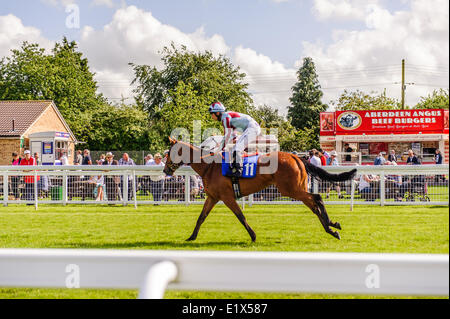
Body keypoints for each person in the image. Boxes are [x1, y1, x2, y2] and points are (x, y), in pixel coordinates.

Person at [208, 101, 261, 177]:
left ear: (217, 113)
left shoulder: (225, 118)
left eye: (212, 114)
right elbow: (232, 135)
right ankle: (236, 167)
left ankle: (238, 171)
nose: (211, 117)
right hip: (251, 128)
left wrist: (218, 150)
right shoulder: (227, 117)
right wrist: (222, 145)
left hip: (251, 128)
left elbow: (227, 135)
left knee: (237, 149)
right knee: (234, 149)